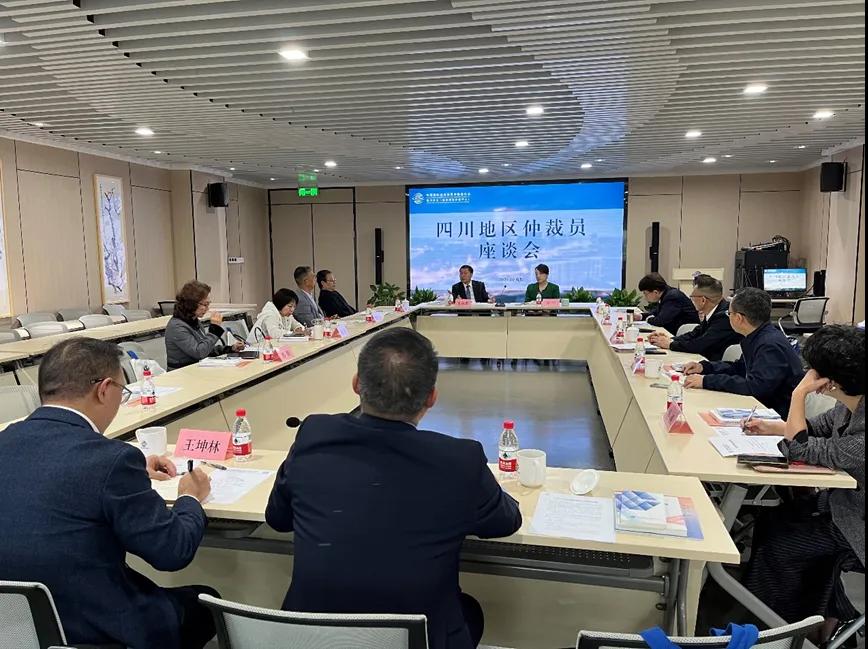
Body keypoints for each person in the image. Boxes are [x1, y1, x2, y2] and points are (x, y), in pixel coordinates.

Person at [265, 328, 522, 649]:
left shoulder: (314, 434)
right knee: (469, 611)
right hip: (418, 639)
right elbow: (506, 521)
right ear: (432, 397)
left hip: (311, 638)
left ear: (356, 384)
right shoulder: (460, 460)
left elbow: (278, 518)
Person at [0, 338, 216, 649]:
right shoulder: (111, 460)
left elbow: (44, 477)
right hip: (97, 629)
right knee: (205, 601)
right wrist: (190, 498)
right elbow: (172, 551)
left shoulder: (7, 440)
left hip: (15, 630)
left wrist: (133, 473)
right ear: (104, 390)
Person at [742, 325, 864, 643]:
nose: (808, 375)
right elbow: (814, 428)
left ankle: (776, 633)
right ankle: (821, 617)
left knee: (780, 546)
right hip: (843, 506)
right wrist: (772, 426)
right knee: (772, 519)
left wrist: (799, 394)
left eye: (813, 371)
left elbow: (799, 449)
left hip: (857, 525)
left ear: (830, 381)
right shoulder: (851, 404)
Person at [682, 287, 804, 417]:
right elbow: (740, 368)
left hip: (776, 415)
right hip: (760, 406)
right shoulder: (758, 336)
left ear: (739, 318)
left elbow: (755, 387)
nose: (728, 317)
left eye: (729, 313)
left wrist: (706, 381)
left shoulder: (769, 344)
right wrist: (704, 367)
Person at [648, 274, 742, 361]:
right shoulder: (715, 311)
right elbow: (695, 333)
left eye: (692, 298)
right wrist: (671, 339)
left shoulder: (724, 316)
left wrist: (670, 344)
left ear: (703, 300)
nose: (691, 301)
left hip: (716, 364)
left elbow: (700, 344)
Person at [165, 279, 243, 370]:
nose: (207, 309)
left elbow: (205, 348)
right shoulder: (177, 327)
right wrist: (215, 329)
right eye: (205, 305)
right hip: (181, 373)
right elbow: (199, 353)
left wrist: (230, 349)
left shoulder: (193, 321)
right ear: (191, 304)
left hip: (195, 369)